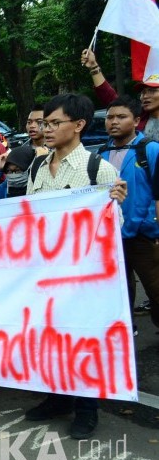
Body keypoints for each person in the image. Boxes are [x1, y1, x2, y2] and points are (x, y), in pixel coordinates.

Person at [0, 93, 127, 439]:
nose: (47, 129)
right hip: (44, 273)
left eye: (55, 123)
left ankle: (87, 409)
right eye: (45, 123)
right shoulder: (38, 168)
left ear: (79, 125)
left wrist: (115, 204)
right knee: (50, 338)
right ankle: (57, 398)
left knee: (81, 338)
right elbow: (27, 215)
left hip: (82, 274)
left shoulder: (98, 169)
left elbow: (112, 228)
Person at [98, 96, 159, 331]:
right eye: (110, 117)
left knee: (154, 286)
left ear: (135, 121)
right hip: (111, 235)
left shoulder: (150, 150)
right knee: (119, 288)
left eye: (121, 117)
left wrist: (151, 225)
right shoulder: (100, 153)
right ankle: (126, 332)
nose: (113, 122)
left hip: (144, 234)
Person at [82, 49, 159, 142]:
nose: (145, 96)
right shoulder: (140, 116)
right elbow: (110, 98)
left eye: (152, 91)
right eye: (143, 92)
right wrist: (94, 67)